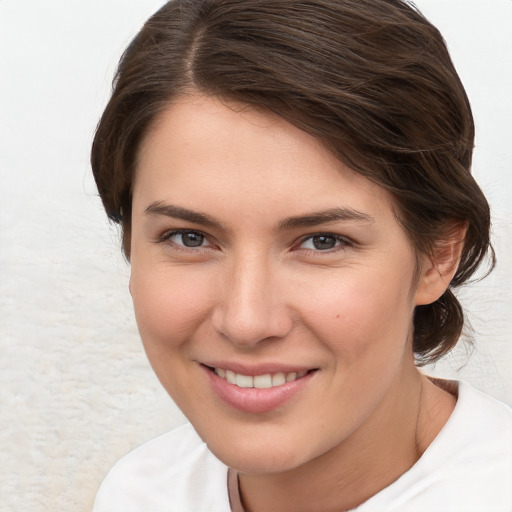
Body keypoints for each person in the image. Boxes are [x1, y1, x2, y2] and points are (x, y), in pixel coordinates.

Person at [90, 0, 512, 510]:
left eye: (322, 241)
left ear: (438, 255)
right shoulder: (138, 492)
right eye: (190, 238)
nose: (246, 321)